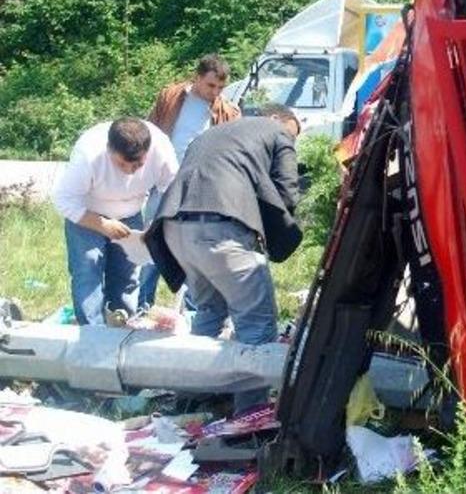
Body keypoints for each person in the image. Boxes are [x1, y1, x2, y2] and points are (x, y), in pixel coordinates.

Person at [145, 104, 303, 412]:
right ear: (277, 120)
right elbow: (287, 192)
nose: (291, 142)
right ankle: (250, 416)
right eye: (293, 135)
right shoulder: (276, 132)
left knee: (208, 312)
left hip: (174, 228)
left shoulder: (215, 132)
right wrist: (281, 232)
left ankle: (190, 400)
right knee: (256, 326)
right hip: (221, 229)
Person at [52, 117, 178, 326]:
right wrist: (102, 224)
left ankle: (122, 329)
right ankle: (92, 332)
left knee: (127, 274)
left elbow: (173, 191)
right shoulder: (89, 154)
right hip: (87, 215)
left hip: (132, 214)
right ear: (109, 149)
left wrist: (156, 225)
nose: (129, 171)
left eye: (138, 165)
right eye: (122, 164)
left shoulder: (162, 148)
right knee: (88, 271)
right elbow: (63, 200)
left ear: (148, 151)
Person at [140, 53, 241, 309]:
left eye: (220, 87)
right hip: (163, 183)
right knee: (151, 241)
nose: (215, 91)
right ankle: (142, 304)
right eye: (210, 85)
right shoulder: (171, 98)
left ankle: (193, 309)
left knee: (193, 249)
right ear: (196, 78)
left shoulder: (226, 112)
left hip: (198, 189)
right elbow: (150, 131)